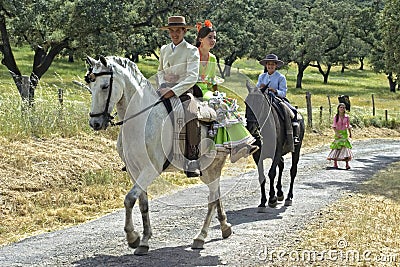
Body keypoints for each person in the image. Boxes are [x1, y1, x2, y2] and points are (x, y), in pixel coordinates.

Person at [194, 20, 258, 163]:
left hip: (207, 91)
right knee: (220, 104)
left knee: (227, 103)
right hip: (194, 90)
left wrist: (218, 94)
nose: (213, 40)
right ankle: (236, 145)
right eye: (210, 37)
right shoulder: (193, 55)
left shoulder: (213, 58)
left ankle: (235, 145)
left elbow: (212, 82)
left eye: (214, 37)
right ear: (200, 39)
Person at [158, 16, 201, 177]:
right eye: (172, 31)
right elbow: (160, 71)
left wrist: (173, 90)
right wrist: (163, 85)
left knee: (191, 113)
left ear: (184, 31)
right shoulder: (164, 49)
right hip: (164, 90)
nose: (175, 34)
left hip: (183, 91)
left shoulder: (191, 50)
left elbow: (192, 77)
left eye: (178, 31)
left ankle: (192, 158)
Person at [256, 53, 300, 145]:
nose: (270, 66)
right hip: (263, 99)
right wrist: (260, 88)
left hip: (277, 99)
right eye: (268, 64)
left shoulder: (281, 77)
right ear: (266, 65)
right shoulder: (261, 76)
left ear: (276, 66)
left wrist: (275, 91)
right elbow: (256, 90)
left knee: (292, 111)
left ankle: (294, 134)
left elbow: (283, 92)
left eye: (272, 64)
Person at [327, 103, 353, 170]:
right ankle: (335, 163)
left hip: (344, 133)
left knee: (346, 148)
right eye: (341, 107)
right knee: (337, 148)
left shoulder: (347, 117)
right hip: (338, 133)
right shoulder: (336, 117)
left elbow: (348, 126)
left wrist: (350, 133)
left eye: (343, 107)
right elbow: (334, 126)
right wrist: (337, 133)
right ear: (338, 108)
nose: (342, 109)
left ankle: (347, 164)